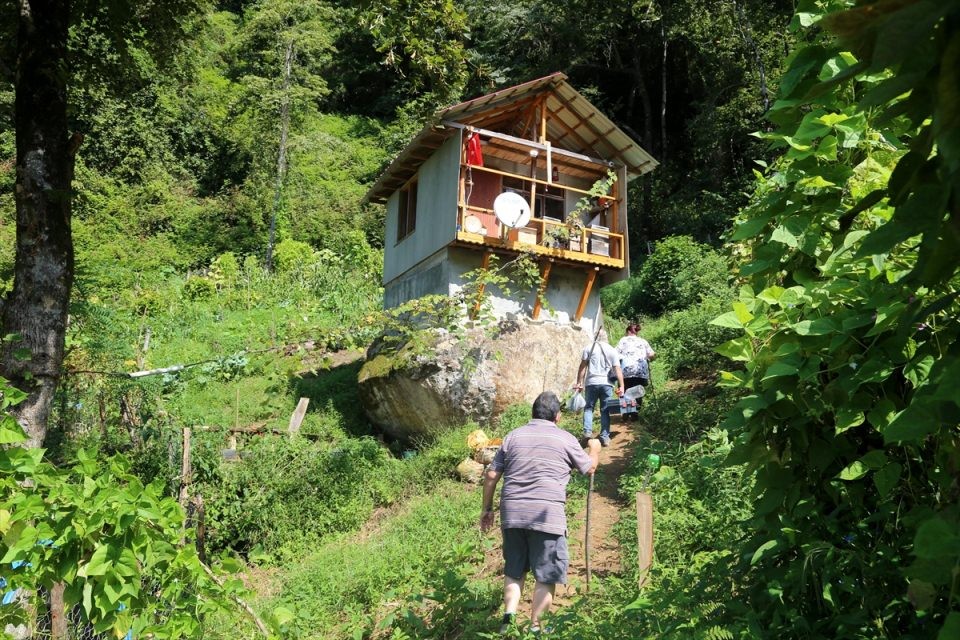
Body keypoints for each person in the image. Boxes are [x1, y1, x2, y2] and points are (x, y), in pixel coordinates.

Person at [480, 391, 601, 635]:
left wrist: (487, 510)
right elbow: (589, 468)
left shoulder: (513, 436)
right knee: (546, 574)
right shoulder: (565, 439)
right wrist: (595, 448)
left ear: (532, 414)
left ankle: (508, 622)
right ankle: (536, 628)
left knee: (515, 569)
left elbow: (492, 475)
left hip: (512, 514)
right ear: (557, 417)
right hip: (547, 516)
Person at [574, 329, 624, 446]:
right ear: (606, 337)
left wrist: (579, 383)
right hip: (607, 384)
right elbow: (617, 369)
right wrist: (621, 386)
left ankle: (587, 432)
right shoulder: (612, 350)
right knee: (605, 410)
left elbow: (582, 367)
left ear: (595, 336)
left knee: (588, 408)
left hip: (591, 383)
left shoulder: (588, 348)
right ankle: (604, 437)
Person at [616, 322, 656, 392]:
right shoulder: (643, 341)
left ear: (628, 331)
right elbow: (651, 354)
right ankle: (638, 402)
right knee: (638, 394)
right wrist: (649, 358)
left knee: (626, 394)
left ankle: (628, 402)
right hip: (641, 373)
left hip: (627, 373)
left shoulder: (623, 340)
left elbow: (615, 353)